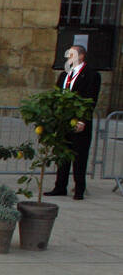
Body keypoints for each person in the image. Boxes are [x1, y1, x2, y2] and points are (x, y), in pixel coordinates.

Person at [47, 44, 99, 200]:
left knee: (79, 155)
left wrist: (82, 120)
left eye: (72, 54)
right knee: (63, 154)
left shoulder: (91, 75)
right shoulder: (64, 75)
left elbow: (91, 99)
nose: (68, 57)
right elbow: (57, 95)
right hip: (64, 120)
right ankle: (60, 186)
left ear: (81, 56)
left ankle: (79, 188)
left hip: (79, 121)